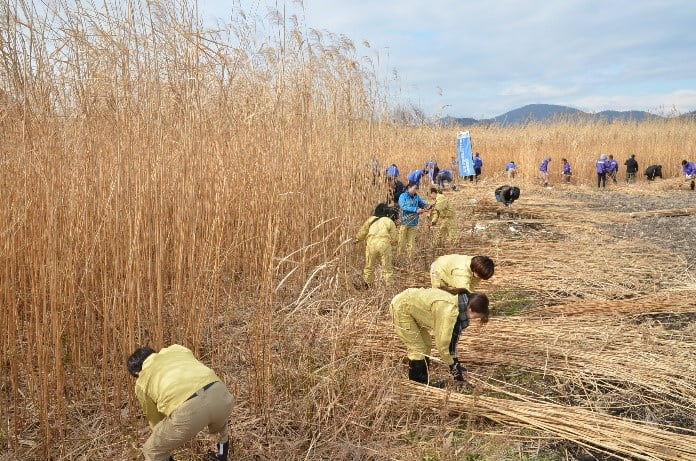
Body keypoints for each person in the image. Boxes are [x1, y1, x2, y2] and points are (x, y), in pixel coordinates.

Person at [127, 345, 234, 461]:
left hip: (190, 410)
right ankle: (220, 456)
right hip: (221, 394)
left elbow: (156, 420)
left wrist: (169, 434)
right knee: (219, 431)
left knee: (152, 450)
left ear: (137, 373)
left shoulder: (141, 382)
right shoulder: (176, 349)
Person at [390, 288, 489, 386]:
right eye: (476, 317)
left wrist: (455, 362)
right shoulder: (449, 311)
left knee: (426, 344)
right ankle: (417, 385)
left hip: (410, 306)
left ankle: (424, 382)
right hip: (401, 308)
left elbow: (452, 340)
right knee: (417, 348)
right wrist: (452, 365)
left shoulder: (460, 303)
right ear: (470, 309)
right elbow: (442, 345)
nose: (474, 319)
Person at [354, 203, 397, 286]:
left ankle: (367, 285)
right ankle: (389, 286)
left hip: (371, 245)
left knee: (369, 267)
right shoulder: (389, 221)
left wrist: (357, 239)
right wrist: (393, 244)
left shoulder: (370, 220)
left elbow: (363, 232)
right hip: (384, 244)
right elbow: (394, 238)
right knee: (387, 268)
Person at [430, 254, 495, 293]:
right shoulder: (462, 271)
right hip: (438, 269)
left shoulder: (478, 265)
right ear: (475, 270)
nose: (479, 278)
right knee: (439, 295)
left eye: (481, 277)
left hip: (450, 268)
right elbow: (464, 291)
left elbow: (471, 288)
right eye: (479, 276)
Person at [398, 181, 430, 258]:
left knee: (411, 244)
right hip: (404, 223)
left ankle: (410, 260)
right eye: (415, 188)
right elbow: (403, 207)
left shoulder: (416, 197)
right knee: (401, 243)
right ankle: (399, 258)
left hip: (413, 223)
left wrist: (428, 205)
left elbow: (423, 203)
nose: (416, 190)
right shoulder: (403, 196)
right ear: (409, 187)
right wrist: (415, 209)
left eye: (417, 189)